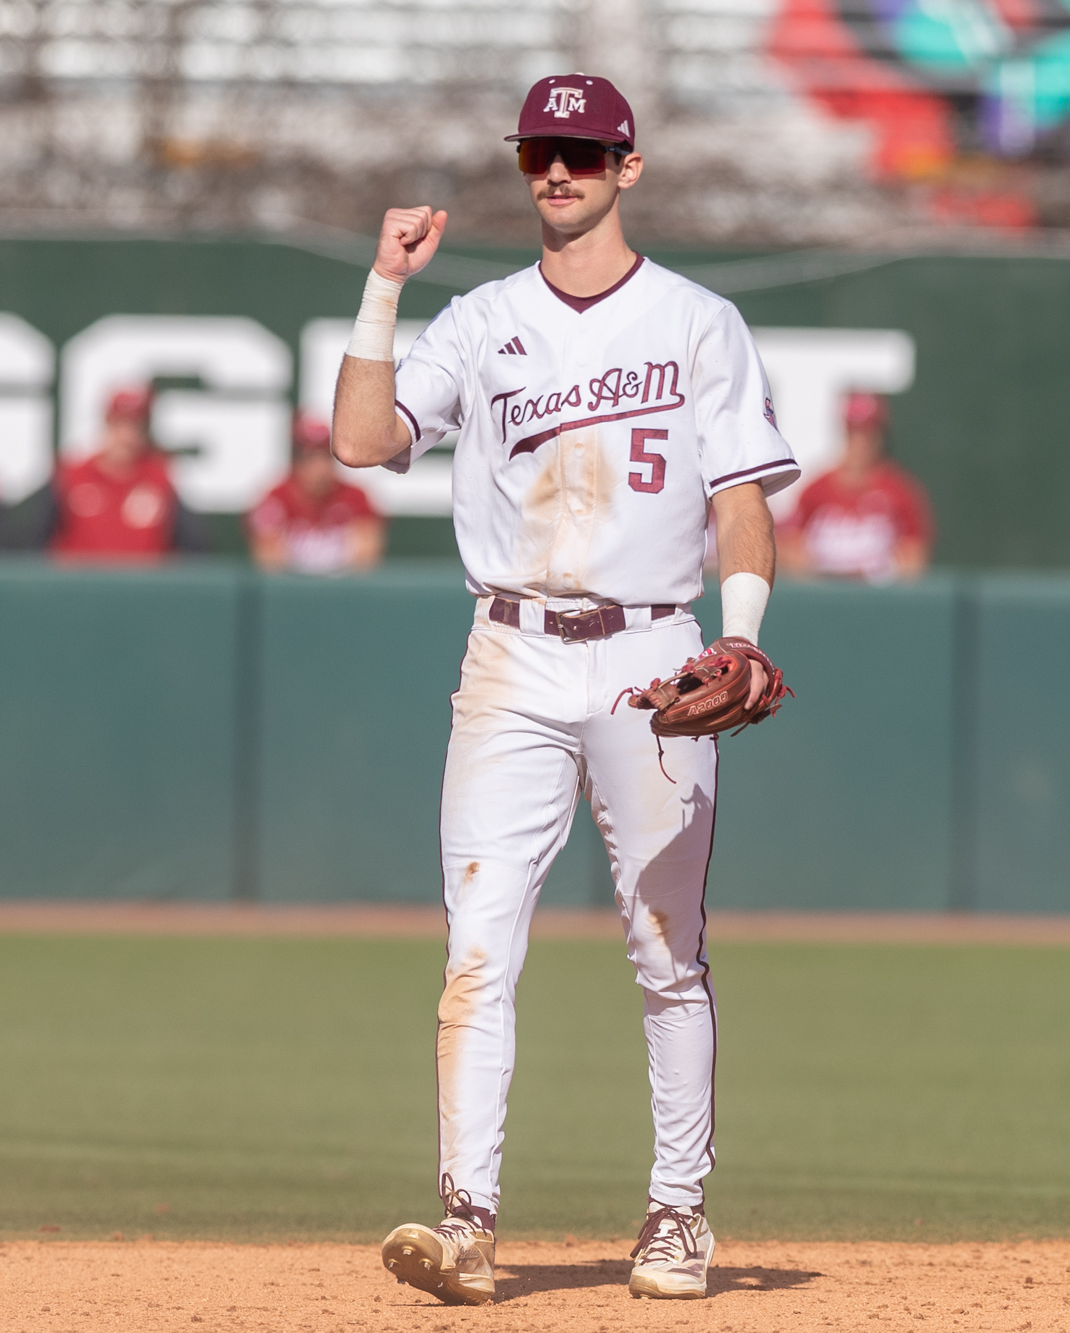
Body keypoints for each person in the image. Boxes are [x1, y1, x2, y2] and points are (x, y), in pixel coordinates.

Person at [331, 74, 798, 1304]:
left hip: (651, 652)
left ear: (625, 167)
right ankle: (466, 1222)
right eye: (542, 149)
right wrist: (385, 283)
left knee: (663, 953)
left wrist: (738, 639)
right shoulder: (479, 319)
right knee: (477, 949)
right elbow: (361, 441)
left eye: (584, 153)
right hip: (511, 649)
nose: (559, 171)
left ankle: (676, 1215)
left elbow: (738, 499)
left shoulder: (696, 320)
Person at [781, 392, 933, 583]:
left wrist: (885, 572)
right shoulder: (815, 490)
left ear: (880, 436)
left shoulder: (900, 490)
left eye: (868, 434)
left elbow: (915, 555)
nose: (860, 442)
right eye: (854, 432)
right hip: (826, 596)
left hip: (878, 598)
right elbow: (790, 547)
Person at [46, 387, 206, 561]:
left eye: (136, 427)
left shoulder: (159, 477)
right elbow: (33, 540)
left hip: (143, 586)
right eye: (120, 424)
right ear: (107, 424)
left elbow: (195, 544)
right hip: (82, 585)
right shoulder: (73, 475)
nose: (127, 436)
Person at [247, 414, 384, 574]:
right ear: (296, 461)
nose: (320, 467)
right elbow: (269, 558)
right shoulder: (276, 497)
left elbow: (366, 558)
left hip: (341, 591)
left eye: (326, 456)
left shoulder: (355, 496)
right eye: (310, 457)